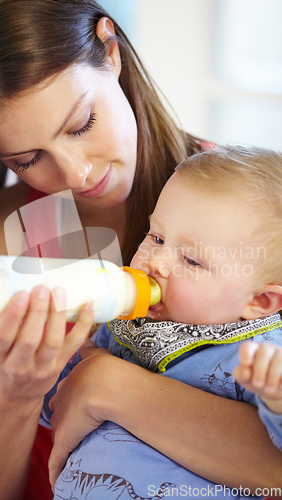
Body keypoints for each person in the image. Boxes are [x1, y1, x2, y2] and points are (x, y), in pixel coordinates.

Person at [0, 0, 280, 498]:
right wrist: (11, 399)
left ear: (111, 50)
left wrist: (109, 386)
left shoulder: (254, 218)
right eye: (27, 159)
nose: (75, 175)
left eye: (81, 123)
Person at [46, 145, 282, 499]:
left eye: (191, 260)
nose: (155, 262)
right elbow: (65, 407)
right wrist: (32, 372)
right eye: (156, 237)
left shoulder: (259, 354)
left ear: (259, 301)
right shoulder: (124, 323)